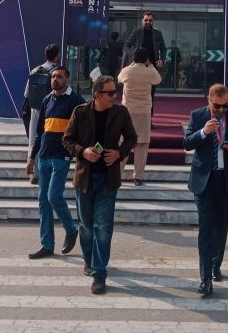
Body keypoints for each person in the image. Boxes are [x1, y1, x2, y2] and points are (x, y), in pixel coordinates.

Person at [62, 75, 137, 294]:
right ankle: (88, 259)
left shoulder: (121, 112)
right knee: (86, 225)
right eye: (110, 93)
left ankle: (99, 272)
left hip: (108, 179)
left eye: (116, 91)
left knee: (103, 227)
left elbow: (132, 138)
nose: (115, 96)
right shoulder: (80, 112)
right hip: (84, 178)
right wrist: (82, 151)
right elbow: (67, 139)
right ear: (97, 95)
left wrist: (119, 153)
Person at [183, 83, 228, 297]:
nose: (221, 110)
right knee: (206, 227)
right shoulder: (198, 115)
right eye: (217, 106)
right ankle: (205, 279)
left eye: (225, 106)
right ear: (208, 100)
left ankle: (215, 265)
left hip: (226, 180)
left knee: (221, 226)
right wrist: (204, 132)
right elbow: (187, 143)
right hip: (204, 180)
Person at [27, 65, 85, 260]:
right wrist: (32, 157)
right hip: (44, 156)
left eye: (59, 76)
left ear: (66, 79)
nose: (55, 79)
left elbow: (85, 125)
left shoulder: (75, 100)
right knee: (43, 201)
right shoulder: (47, 99)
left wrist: (78, 151)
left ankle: (71, 229)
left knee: (53, 196)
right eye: (53, 76)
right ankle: (47, 244)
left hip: (62, 157)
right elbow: (40, 132)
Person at [117, 47, 162, 185]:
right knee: (142, 144)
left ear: (132, 58)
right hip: (143, 111)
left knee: (123, 142)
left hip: (127, 111)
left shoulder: (126, 71)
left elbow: (119, 79)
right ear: (146, 59)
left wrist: (132, 64)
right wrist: (151, 65)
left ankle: (117, 174)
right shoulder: (150, 72)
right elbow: (158, 80)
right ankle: (138, 176)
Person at [23, 43, 61, 183]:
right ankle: (47, 173)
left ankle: (34, 174)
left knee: (34, 140)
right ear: (57, 55)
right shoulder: (58, 72)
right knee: (49, 141)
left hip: (35, 110)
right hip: (52, 111)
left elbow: (27, 94)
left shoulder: (35, 70)